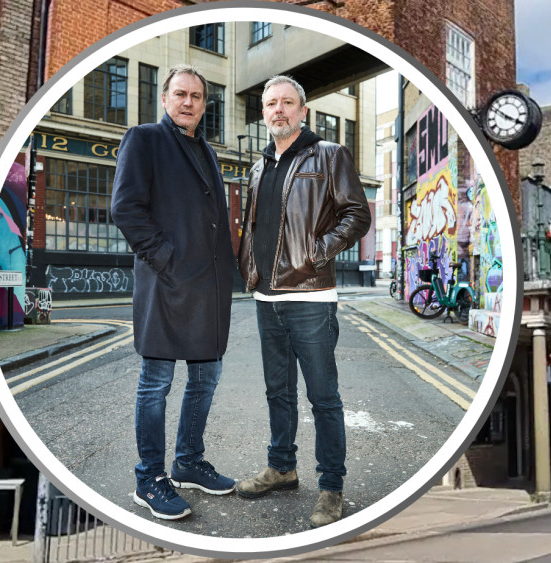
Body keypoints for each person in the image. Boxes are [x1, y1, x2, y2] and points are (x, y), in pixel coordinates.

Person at [236, 75, 370, 527]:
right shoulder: (258, 168)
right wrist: (249, 271)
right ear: (263, 113)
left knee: (323, 397)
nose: (279, 110)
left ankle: (331, 486)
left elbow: (357, 214)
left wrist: (316, 253)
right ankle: (282, 467)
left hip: (311, 296)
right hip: (265, 296)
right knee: (278, 391)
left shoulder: (329, 155)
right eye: (271, 103)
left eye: (287, 103)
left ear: (303, 110)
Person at [111, 64, 236, 521]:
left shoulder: (206, 150)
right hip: (166, 285)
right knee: (156, 384)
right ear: (165, 99)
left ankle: (187, 462)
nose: (188, 102)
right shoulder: (144, 139)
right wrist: (165, 259)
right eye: (180, 94)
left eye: (197, 96)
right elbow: (126, 209)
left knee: (206, 379)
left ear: (204, 105)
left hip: (208, 289)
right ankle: (150, 478)